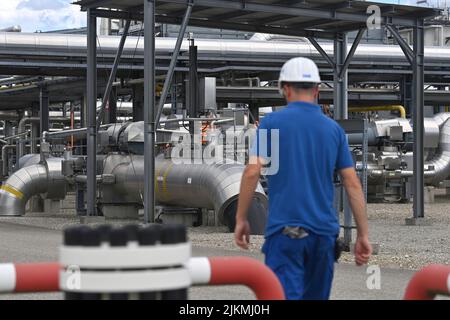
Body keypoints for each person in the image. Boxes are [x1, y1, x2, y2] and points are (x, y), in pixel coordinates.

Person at [234, 57, 372, 300]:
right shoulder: (333, 130)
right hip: (323, 237)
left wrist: (241, 218)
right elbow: (352, 183)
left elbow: (252, 171)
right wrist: (363, 235)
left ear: (285, 88)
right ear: (317, 90)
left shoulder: (272, 124)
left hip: (286, 233)